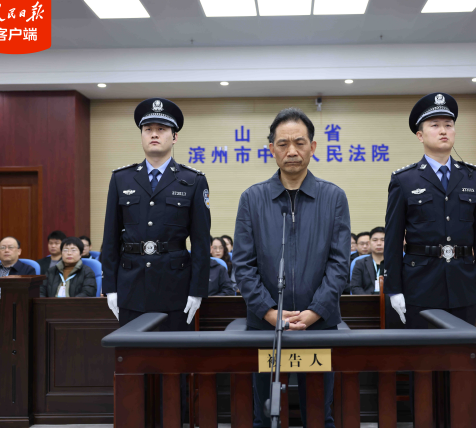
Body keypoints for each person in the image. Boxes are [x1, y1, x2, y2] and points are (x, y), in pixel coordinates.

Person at [233, 107, 350, 428]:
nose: (292, 151)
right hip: (265, 327)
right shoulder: (252, 198)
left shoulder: (333, 197)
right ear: (271, 149)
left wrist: (314, 312)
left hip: (320, 326)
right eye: (283, 144)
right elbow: (243, 264)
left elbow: (339, 264)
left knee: (319, 414)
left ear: (313, 147)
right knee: (265, 414)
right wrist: (270, 312)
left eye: (300, 142)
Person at [384, 92, 476, 329]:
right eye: (435, 125)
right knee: (423, 351)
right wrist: (394, 289)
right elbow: (393, 239)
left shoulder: (472, 177)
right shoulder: (404, 180)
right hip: (419, 285)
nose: (443, 131)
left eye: (449, 125)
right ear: (420, 135)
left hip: (463, 284)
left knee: (462, 350)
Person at [101, 97, 211, 331]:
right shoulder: (121, 179)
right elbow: (110, 237)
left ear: (175, 137)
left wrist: (197, 290)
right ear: (141, 135)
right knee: (133, 352)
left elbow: (201, 241)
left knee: (174, 352)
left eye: (161, 129)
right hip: (130, 286)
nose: (154, 134)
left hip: (176, 288)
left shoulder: (193, 181)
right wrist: (109, 287)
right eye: (148, 129)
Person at [351, 227, 385, 294]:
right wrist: (367, 299)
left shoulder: (394, 263)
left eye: (383, 240)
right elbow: (355, 287)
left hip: (388, 299)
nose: (379, 243)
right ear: (369, 243)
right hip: (366, 298)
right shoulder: (360, 263)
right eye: (375, 240)